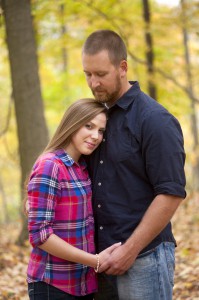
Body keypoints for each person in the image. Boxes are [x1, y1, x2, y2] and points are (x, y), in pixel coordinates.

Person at [81, 30, 186, 300]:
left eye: (101, 74)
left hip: (144, 259)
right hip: (99, 260)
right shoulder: (95, 121)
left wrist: (130, 251)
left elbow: (171, 193)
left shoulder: (155, 120)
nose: (93, 83)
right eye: (88, 75)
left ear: (122, 68)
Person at [26, 98, 121, 300]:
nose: (95, 136)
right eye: (89, 126)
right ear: (72, 123)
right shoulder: (50, 165)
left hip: (83, 284)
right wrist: (94, 260)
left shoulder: (83, 168)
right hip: (53, 284)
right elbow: (39, 234)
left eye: (101, 131)